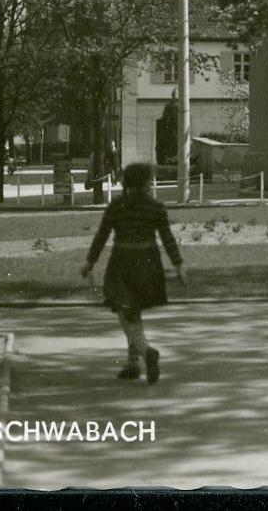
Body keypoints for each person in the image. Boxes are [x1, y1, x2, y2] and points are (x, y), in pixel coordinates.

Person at [80, 163, 185, 383]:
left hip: (122, 263)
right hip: (148, 265)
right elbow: (167, 239)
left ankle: (146, 352)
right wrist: (178, 265)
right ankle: (132, 364)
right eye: (149, 179)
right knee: (131, 312)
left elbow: (101, 236)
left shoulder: (116, 206)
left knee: (126, 311)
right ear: (144, 183)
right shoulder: (156, 207)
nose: (150, 182)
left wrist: (90, 262)